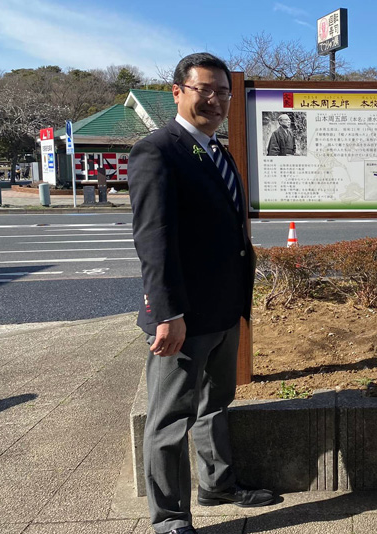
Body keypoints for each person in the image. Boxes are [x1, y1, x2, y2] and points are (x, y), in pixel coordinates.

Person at [129, 52, 273, 534]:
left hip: (223, 310)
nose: (214, 100)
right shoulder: (159, 150)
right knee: (169, 419)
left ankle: (217, 485)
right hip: (183, 317)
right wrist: (168, 313)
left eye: (222, 92)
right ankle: (169, 518)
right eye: (203, 89)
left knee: (216, 401)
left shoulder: (216, 150)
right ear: (177, 92)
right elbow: (153, 241)